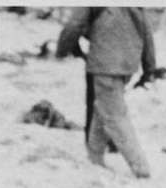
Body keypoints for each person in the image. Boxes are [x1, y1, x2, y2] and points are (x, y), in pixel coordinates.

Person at [57, 7, 156, 178]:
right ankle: (94, 157)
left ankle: (141, 168)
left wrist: (62, 50)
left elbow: (74, 24)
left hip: (105, 63)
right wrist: (149, 68)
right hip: (127, 64)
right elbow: (146, 31)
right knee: (102, 109)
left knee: (114, 116)